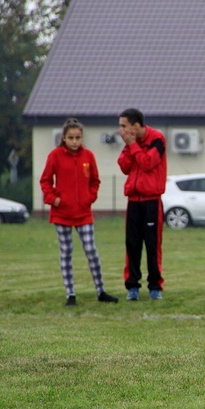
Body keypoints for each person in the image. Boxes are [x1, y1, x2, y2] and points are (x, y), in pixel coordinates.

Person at [40, 118, 119, 306]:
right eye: (71, 138)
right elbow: (45, 181)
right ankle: (70, 293)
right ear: (64, 138)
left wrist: (89, 198)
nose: (75, 141)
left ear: (82, 138)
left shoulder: (89, 156)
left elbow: (95, 181)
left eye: (78, 137)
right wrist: (54, 200)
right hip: (61, 214)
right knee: (66, 251)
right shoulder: (55, 156)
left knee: (91, 250)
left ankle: (100, 291)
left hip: (84, 213)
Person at [117, 108, 168, 300]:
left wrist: (133, 145)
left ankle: (155, 286)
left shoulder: (157, 139)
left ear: (136, 126)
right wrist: (130, 146)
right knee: (132, 245)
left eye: (124, 126)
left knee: (152, 245)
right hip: (133, 201)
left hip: (152, 202)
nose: (121, 130)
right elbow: (124, 166)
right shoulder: (131, 143)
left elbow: (148, 163)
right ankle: (133, 287)